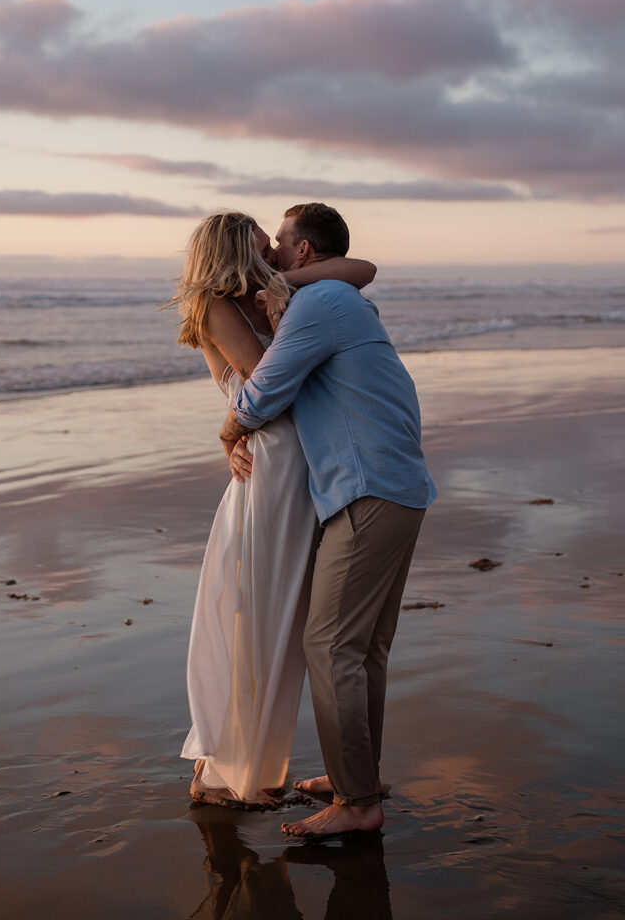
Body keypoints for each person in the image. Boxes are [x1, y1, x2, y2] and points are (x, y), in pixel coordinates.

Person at [220, 202, 436, 837]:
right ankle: (357, 777)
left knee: (331, 644)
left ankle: (358, 802)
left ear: (304, 252)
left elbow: (264, 393)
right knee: (364, 648)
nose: (272, 257)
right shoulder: (340, 299)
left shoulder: (317, 306)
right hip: (396, 486)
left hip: (367, 489)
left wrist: (227, 430)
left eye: (279, 244)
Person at [172, 210, 376, 806]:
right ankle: (222, 772)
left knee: (285, 618)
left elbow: (363, 268)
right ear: (235, 252)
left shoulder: (266, 296)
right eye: (261, 249)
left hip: (296, 460)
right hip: (272, 465)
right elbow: (268, 381)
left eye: (275, 248)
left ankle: (257, 765)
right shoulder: (216, 305)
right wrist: (228, 432)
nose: (271, 258)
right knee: (259, 612)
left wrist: (282, 294)